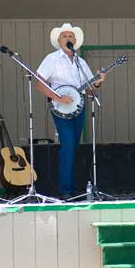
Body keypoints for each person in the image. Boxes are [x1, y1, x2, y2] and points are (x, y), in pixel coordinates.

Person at [35, 23, 105, 200]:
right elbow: (39, 83)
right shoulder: (52, 59)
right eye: (64, 36)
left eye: (71, 36)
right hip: (60, 108)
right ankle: (65, 189)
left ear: (75, 40)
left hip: (78, 107)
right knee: (67, 146)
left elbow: (90, 89)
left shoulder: (81, 62)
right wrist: (57, 98)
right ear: (59, 40)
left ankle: (72, 188)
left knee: (74, 147)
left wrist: (97, 82)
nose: (68, 38)